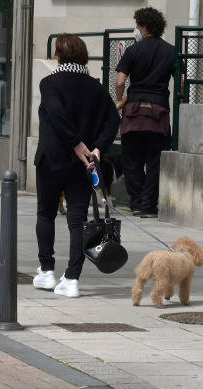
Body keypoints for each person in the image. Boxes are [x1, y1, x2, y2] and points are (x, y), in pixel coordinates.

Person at [33, 34, 120, 298]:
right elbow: (113, 119)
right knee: (77, 220)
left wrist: (75, 143)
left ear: (59, 56)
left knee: (46, 213)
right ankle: (71, 278)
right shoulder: (95, 87)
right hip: (84, 165)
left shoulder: (49, 83)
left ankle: (47, 271)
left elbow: (57, 115)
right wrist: (96, 149)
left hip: (52, 160)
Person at [115, 7, 175, 219]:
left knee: (131, 161)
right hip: (159, 113)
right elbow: (182, 84)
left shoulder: (133, 51)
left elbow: (120, 81)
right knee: (155, 162)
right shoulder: (171, 51)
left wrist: (121, 99)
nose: (136, 29)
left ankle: (137, 203)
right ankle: (149, 206)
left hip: (133, 112)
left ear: (145, 27)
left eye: (138, 25)